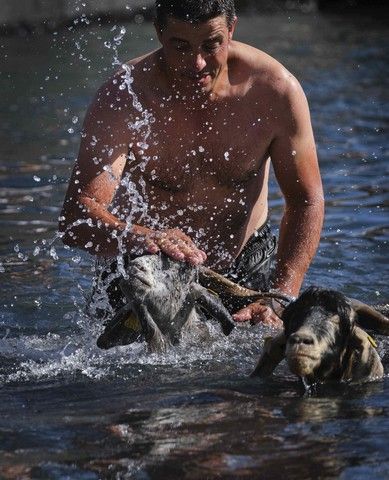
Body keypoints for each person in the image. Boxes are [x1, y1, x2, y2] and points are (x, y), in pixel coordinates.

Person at [59, 0, 324, 330]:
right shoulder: (125, 96)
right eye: (180, 46)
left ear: (231, 30)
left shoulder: (274, 90)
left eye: (212, 44)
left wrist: (282, 296)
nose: (197, 63)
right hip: (146, 268)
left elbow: (305, 201)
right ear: (159, 33)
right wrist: (145, 237)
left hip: (245, 270)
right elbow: (77, 217)